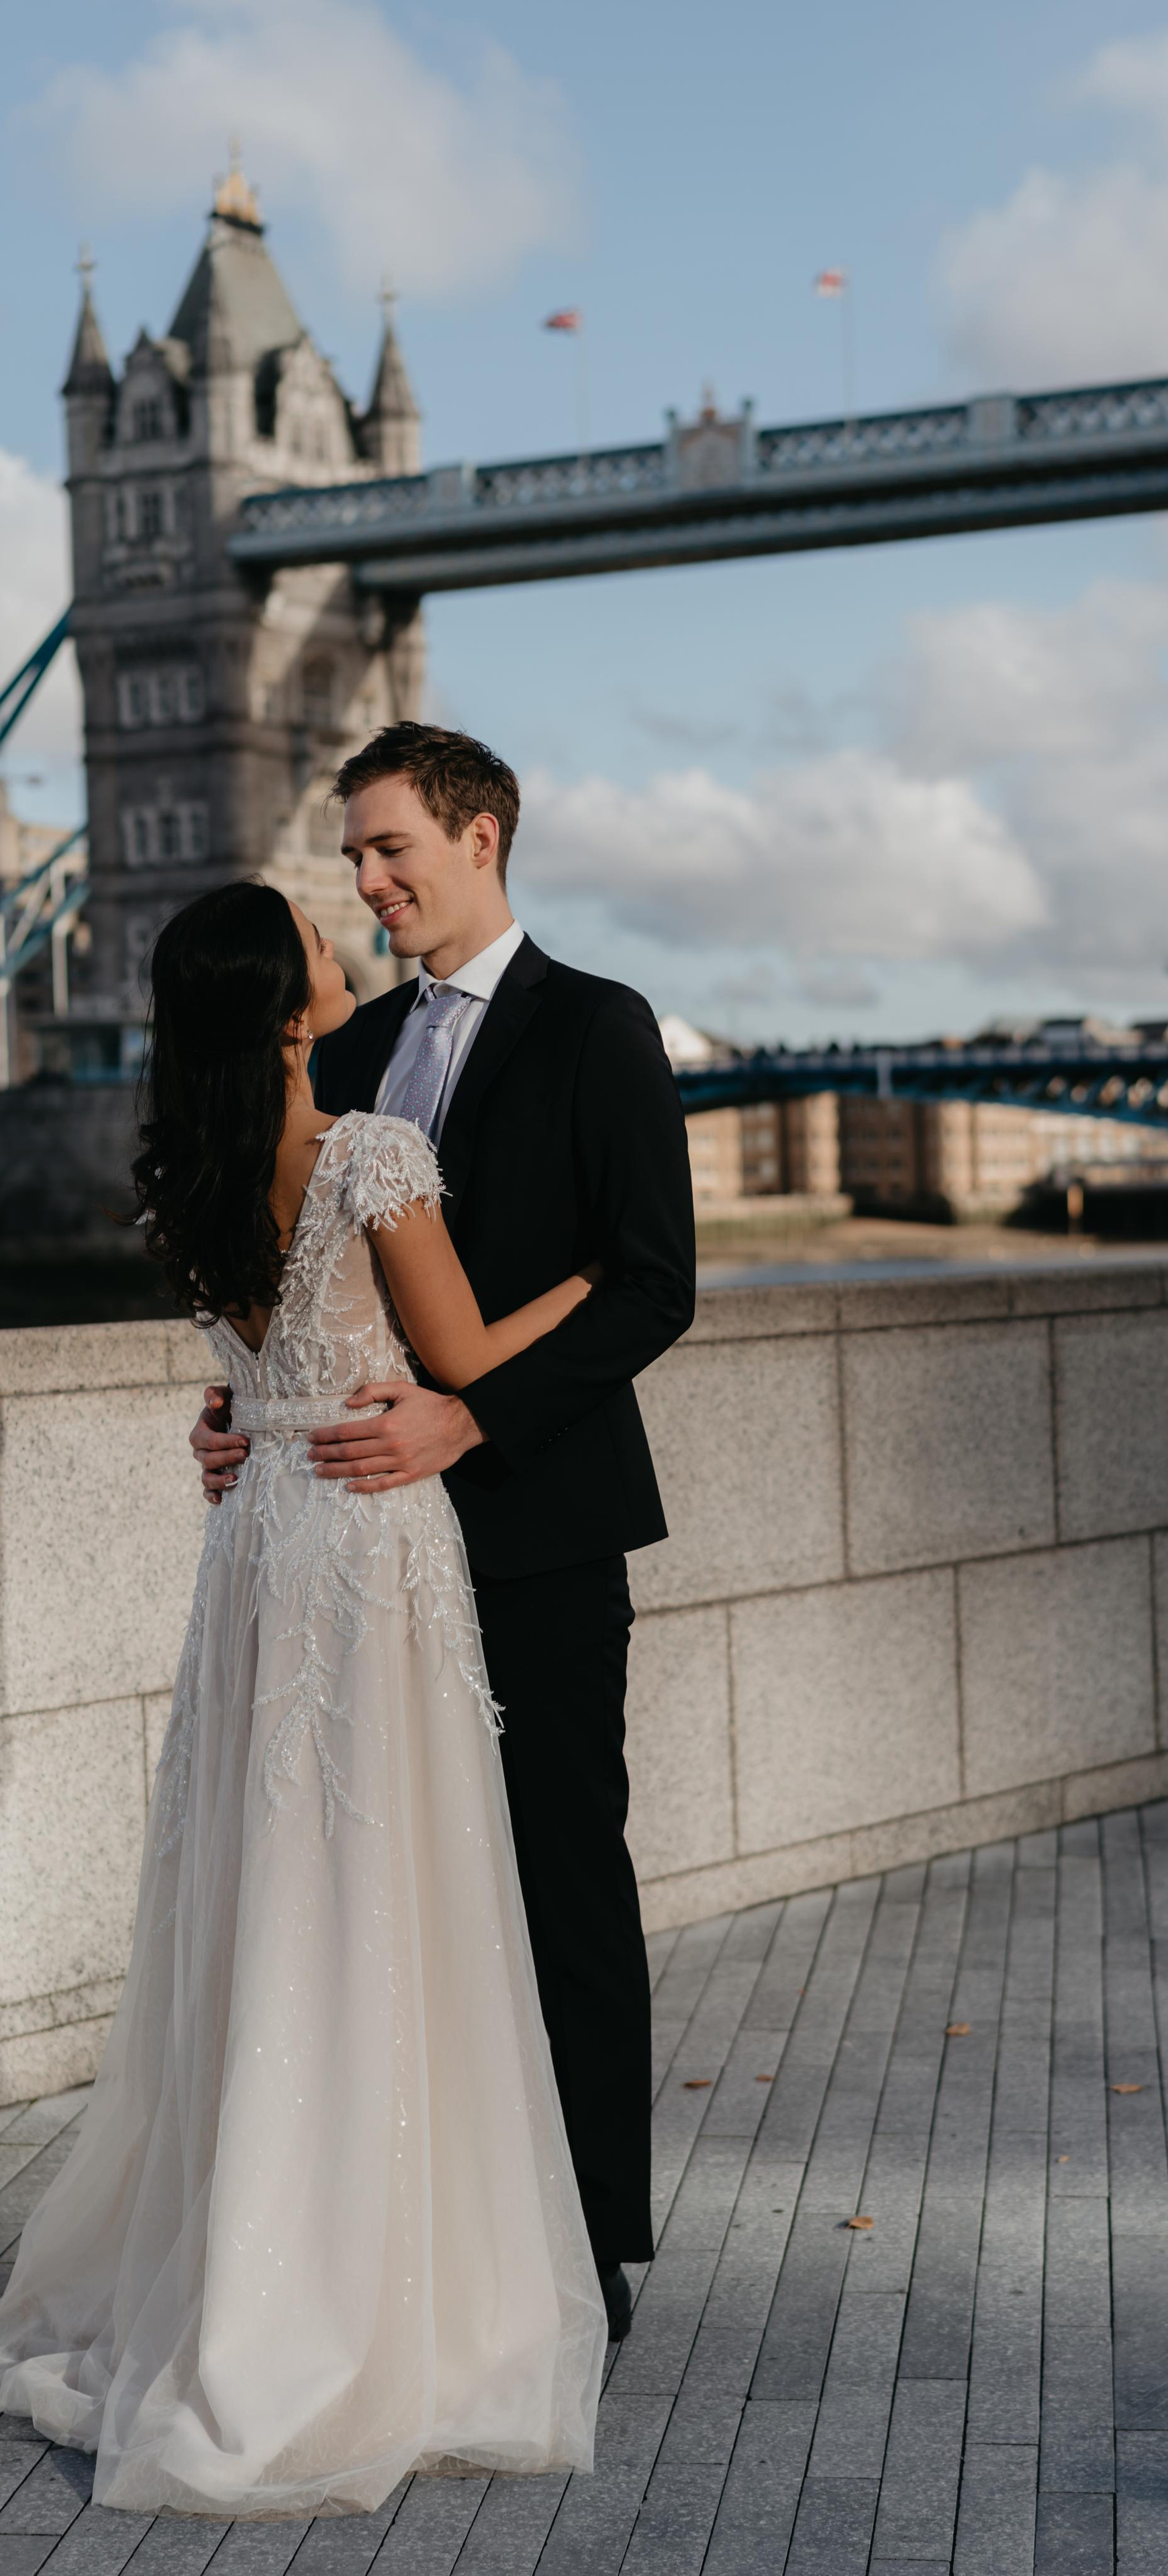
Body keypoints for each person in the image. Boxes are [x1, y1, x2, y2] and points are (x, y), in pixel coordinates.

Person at [0, 882, 610, 2516]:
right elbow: (464, 1354)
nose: (344, 942)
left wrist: (240, 1409)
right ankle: (369, 2286)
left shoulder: (185, 1177)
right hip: (367, 1543)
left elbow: (253, 1372)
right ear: (287, 1002)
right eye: (315, 939)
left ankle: (252, 2254)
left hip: (260, 1543)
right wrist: (597, 1285)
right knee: (387, 1893)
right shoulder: (367, 1153)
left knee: (269, 1891)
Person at [189, 724, 695, 2346]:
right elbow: (301, 1275)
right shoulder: (344, 1051)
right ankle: (398, 2232)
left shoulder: (598, 1026)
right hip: (346, 1537)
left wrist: (471, 1414)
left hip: (537, 1530)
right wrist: (244, 1408)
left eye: (392, 845)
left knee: (556, 1874)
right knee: (378, 1893)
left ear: (483, 836)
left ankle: (589, 2241)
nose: (368, 879)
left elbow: (653, 1278)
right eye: (352, 856)